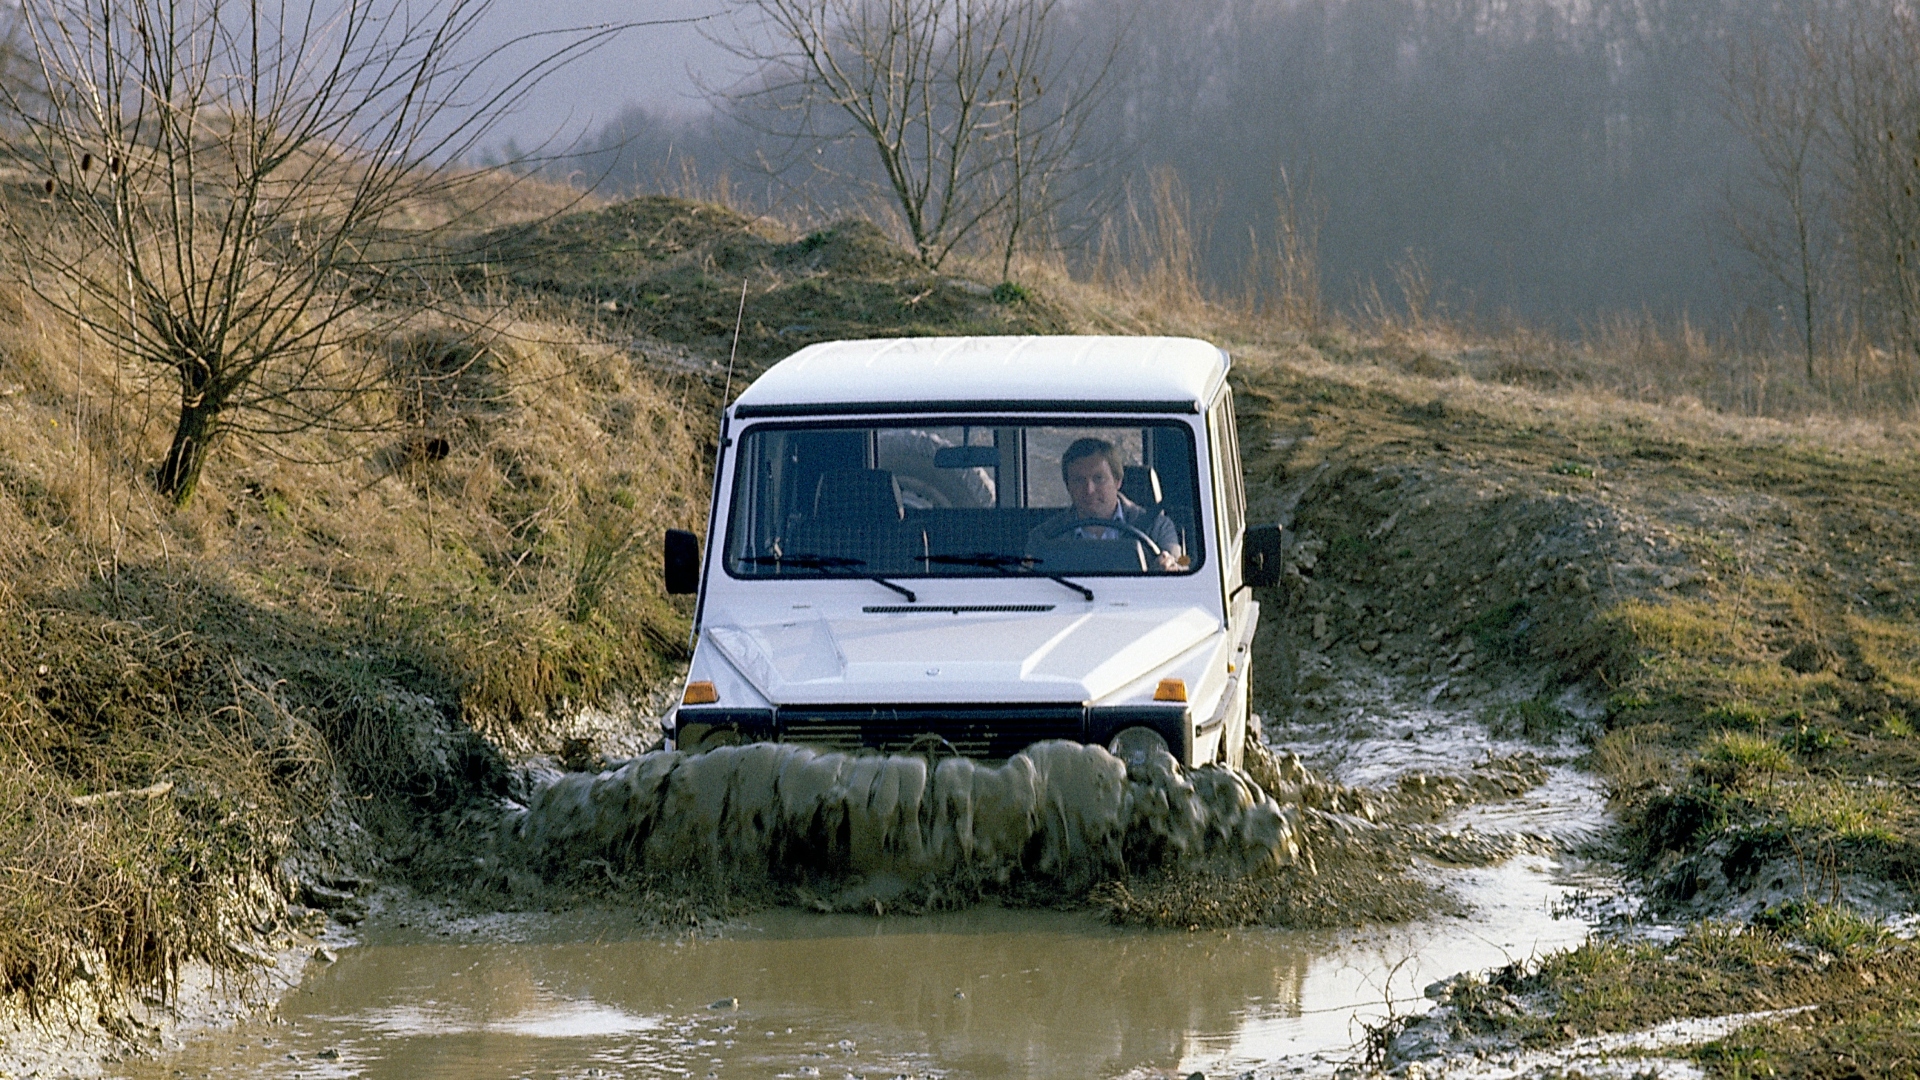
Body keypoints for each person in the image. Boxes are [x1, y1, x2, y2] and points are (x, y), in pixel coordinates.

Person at [1027, 438, 1183, 570]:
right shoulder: (1044, 537)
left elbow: (1183, 566)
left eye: (1098, 478)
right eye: (1079, 480)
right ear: (1068, 486)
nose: (1089, 490)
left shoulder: (1157, 527)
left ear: (1118, 481)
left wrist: (1168, 566)